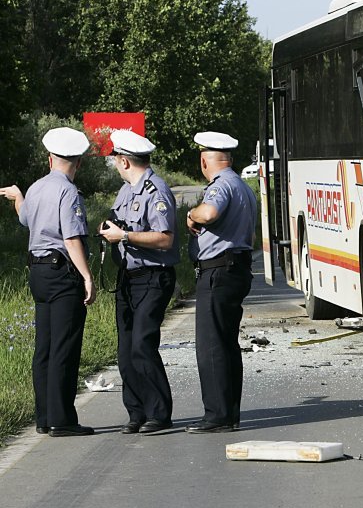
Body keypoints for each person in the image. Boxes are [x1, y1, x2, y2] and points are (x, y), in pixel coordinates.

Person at [0, 127, 96, 437]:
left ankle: (43, 417)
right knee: (64, 347)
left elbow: (26, 219)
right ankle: (62, 419)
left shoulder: (37, 187)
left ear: (49, 158)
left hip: (38, 273)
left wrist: (19, 198)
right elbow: (71, 238)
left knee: (44, 347)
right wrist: (87, 276)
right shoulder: (68, 192)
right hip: (61, 273)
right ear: (77, 162)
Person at [98, 130, 179, 434]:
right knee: (125, 350)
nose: (115, 165)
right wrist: (109, 229)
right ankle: (137, 412)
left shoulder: (155, 191)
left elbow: (165, 239)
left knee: (142, 345)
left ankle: (159, 413)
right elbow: (119, 221)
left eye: (116, 160)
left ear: (124, 160)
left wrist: (126, 236)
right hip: (128, 277)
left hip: (153, 276)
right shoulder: (126, 190)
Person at [185, 131, 256, 433]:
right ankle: (229, 413)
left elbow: (210, 212)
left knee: (211, 346)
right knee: (227, 345)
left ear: (204, 160)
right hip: (235, 269)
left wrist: (191, 213)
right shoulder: (242, 186)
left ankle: (216, 415)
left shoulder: (221, 186)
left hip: (218, 271)